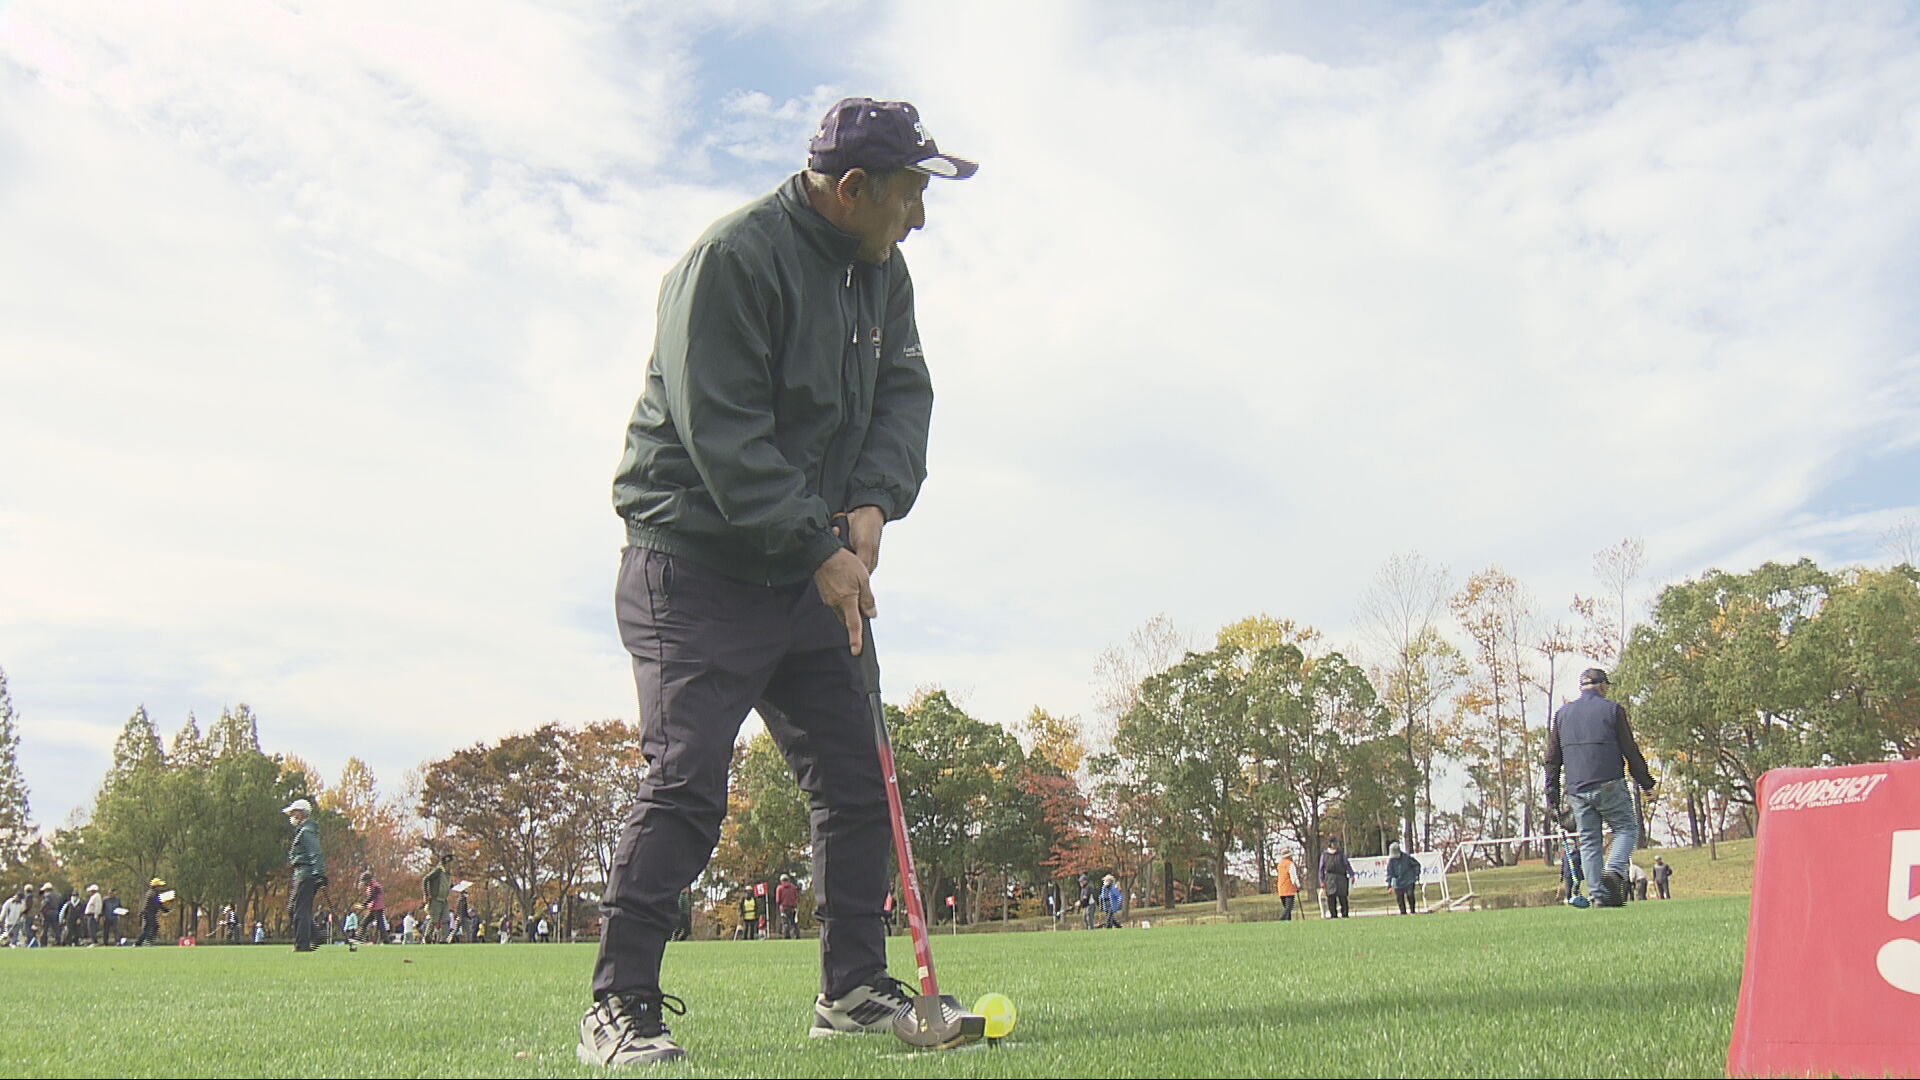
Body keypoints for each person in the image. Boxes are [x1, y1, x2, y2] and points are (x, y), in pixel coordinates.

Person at [577, 95, 976, 1068]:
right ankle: (619, 1006)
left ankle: (853, 990)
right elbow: (726, 436)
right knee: (686, 783)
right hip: (696, 564)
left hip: (809, 568)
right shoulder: (732, 261)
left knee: (857, 779)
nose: (920, 216)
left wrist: (873, 500)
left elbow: (905, 396)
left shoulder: (881, 274)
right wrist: (819, 547)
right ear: (853, 188)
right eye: (909, 194)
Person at [1544, 668, 1656, 908]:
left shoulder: (1562, 714)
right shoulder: (1613, 710)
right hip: (1609, 783)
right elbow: (1630, 751)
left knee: (1589, 841)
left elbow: (1552, 758)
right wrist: (1646, 783)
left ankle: (1598, 896)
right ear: (1603, 686)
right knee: (1626, 828)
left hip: (1577, 789)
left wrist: (1551, 793)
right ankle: (1614, 870)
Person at [284, 797, 326, 953]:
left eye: (294, 813)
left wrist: (319, 874)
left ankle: (302, 945)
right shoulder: (304, 830)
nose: (292, 816)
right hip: (302, 873)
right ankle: (316, 935)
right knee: (293, 908)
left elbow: (316, 852)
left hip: (306, 874)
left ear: (301, 813)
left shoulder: (306, 831)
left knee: (300, 910)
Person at [422, 852, 452, 945]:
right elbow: (426, 879)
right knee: (434, 920)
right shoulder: (438, 871)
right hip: (436, 899)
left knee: (446, 919)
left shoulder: (448, 874)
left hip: (444, 899)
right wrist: (426, 894)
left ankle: (443, 939)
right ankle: (427, 937)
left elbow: (446, 885)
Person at [1386, 842, 1421, 915]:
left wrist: (1416, 874)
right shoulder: (1391, 861)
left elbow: (1417, 865)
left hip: (1409, 880)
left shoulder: (1407, 857)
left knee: (1410, 895)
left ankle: (1412, 911)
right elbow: (1389, 873)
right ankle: (1403, 913)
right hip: (1397, 882)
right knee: (1400, 899)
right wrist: (1389, 886)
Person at [1320, 840, 1353, 918]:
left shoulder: (1341, 854)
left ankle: (1345, 915)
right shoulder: (1325, 855)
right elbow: (1321, 868)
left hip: (1341, 877)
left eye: (1336, 843)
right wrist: (1322, 881)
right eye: (1333, 843)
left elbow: (1346, 864)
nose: (1335, 845)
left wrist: (1351, 874)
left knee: (1343, 897)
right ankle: (1333, 915)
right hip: (1329, 878)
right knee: (1331, 898)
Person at [137, 878, 168, 946]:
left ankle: (140, 942)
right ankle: (147, 942)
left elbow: (159, 904)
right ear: (156, 886)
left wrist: (165, 910)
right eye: (159, 886)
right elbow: (158, 904)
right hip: (149, 913)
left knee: (150, 928)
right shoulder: (153, 894)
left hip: (149, 913)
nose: (160, 887)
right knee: (152, 927)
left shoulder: (153, 893)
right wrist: (165, 910)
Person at [358, 871, 387, 945]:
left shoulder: (375, 886)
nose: (364, 884)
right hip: (374, 908)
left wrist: (364, 905)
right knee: (364, 923)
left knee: (380, 925)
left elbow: (372, 897)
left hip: (378, 908)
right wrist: (365, 905)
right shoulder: (371, 886)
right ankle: (359, 939)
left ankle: (386, 941)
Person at [1275, 848, 1302, 921]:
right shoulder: (1290, 864)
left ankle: (1288, 923)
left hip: (1281, 889)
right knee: (1288, 908)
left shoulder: (1280, 865)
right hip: (1289, 889)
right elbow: (1293, 877)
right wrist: (1298, 886)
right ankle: (1281, 920)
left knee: (1286, 908)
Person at [775, 874, 800, 940]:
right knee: (793, 923)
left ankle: (786, 936)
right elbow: (796, 897)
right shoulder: (793, 887)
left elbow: (778, 900)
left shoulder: (779, 888)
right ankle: (796, 936)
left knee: (785, 923)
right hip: (792, 908)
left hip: (784, 908)